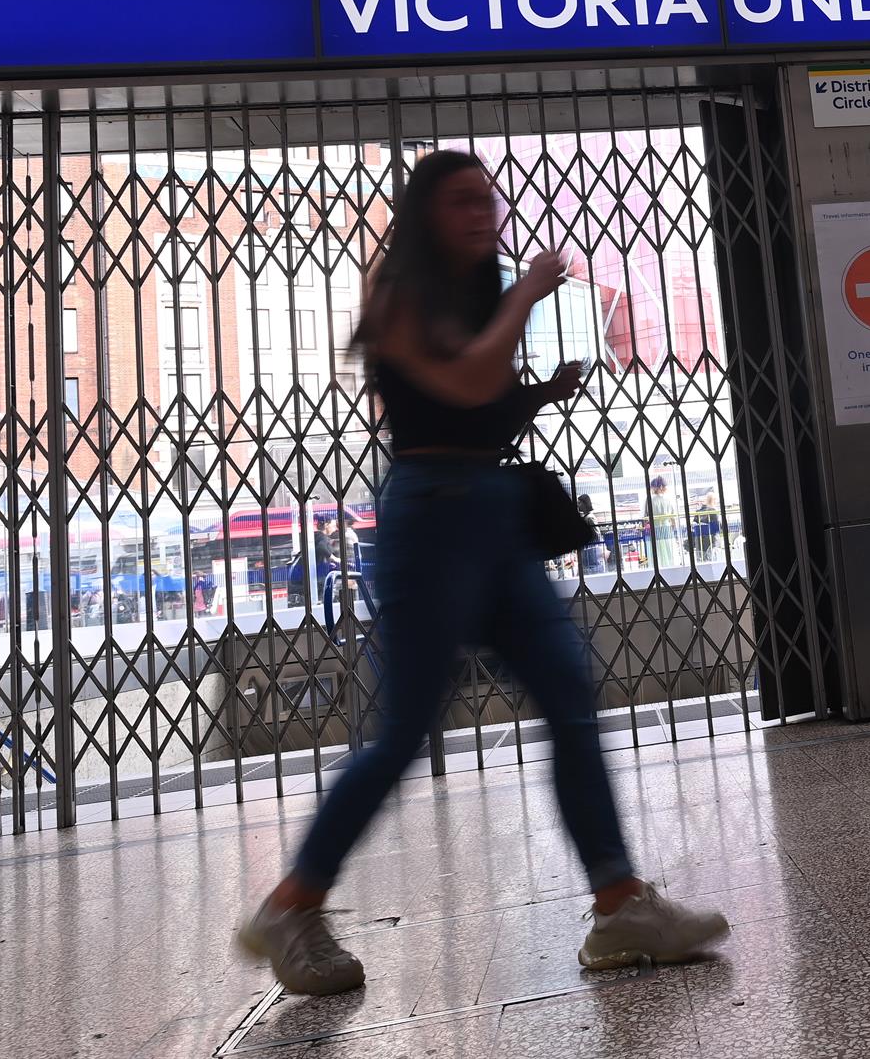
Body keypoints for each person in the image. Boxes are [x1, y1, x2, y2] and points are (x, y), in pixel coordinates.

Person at [237, 149, 728, 997]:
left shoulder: (480, 295)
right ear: (426, 215)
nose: (482, 215)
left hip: (490, 513)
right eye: (463, 203)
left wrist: (542, 389)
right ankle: (292, 903)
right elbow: (461, 381)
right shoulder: (398, 299)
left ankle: (620, 904)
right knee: (402, 732)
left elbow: (488, 400)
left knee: (570, 695)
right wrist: (527, 297)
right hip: (431, 522)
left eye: (488, 202)